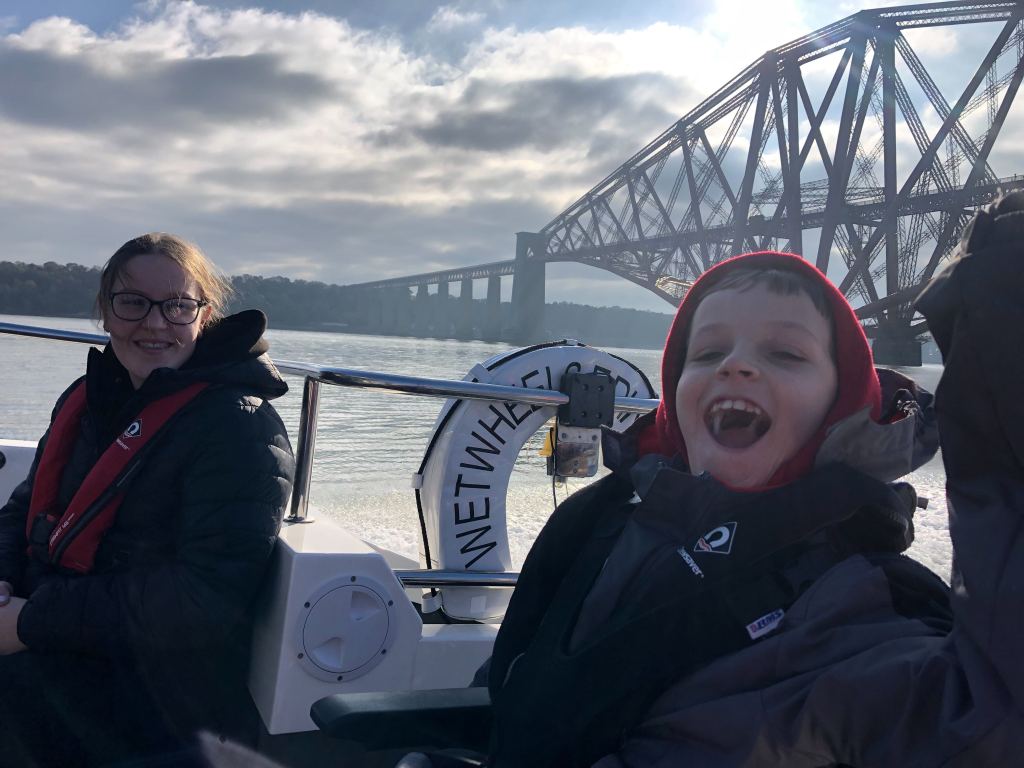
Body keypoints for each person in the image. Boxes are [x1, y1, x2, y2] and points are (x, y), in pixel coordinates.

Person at [413, 195, 1024, 766]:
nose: (736, 364)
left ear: (841, 412)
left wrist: (1001, 378)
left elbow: (987, 725)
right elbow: (521, 678)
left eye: (785, 354)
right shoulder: (602, 524)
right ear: (674, 406)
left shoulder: (858, 611)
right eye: (705, 355)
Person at [0, 233, 295, 766]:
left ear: (203, 316)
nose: (155, 323)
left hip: (163, 699)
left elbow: (204, 598)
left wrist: (29, 621)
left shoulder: (239, 429)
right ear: (105, 314)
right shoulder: (89, 400)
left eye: (178, 305)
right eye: (133, 303)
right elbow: (24, 510)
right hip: (67, 647)